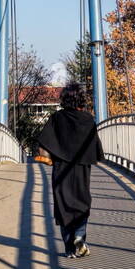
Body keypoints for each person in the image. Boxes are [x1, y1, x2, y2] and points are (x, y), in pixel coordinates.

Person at [37, 82, 104, 258]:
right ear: (82, 99)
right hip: (81, 169)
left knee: (63, 205)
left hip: (61, 168)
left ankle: (69, 249)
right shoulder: (88, 119)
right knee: (82, 202)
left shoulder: (57, 118)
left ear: (64, 99)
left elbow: (44, 140)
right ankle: (80, 236)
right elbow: (94, 145)